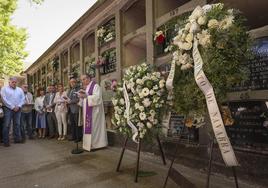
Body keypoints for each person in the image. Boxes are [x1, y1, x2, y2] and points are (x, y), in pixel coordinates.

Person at [78, 74, 108, 151]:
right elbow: (87, 97)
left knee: (94, 128)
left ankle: (96, 144)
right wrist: (82, 97)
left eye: (84, 79)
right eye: (82, 80)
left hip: (95, 112)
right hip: (88, 112)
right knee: (89, 128)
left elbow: (97, 98)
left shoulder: (95, 86)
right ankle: (89, 144)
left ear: (88, 78)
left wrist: (86, 96)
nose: (83, 81)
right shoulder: (87, 87)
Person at [1, 77, 25, 147]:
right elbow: (4, 99)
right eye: (13, 82)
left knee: (17, 124)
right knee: (7, 125)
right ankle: (6, 141)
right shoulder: (4, 89)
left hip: (18, 109)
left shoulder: (20, 89)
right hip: (8, 109)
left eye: (15, 82)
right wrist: (12, 107)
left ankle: (17, 139)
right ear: (9, 82)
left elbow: (22, 98)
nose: (14, 83)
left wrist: (19, 106)